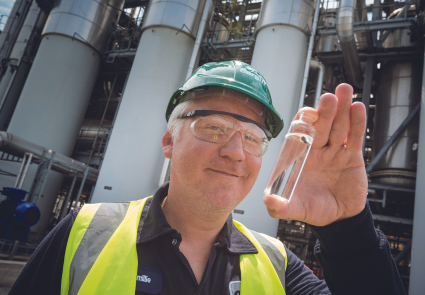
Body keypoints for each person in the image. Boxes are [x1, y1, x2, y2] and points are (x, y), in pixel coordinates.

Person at [10, 61, 404, 295]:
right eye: (214, 127)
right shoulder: (83, 234)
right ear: (169, 141)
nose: (235, 151)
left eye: (252, 138)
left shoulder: (278, 266)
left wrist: (348, 226)